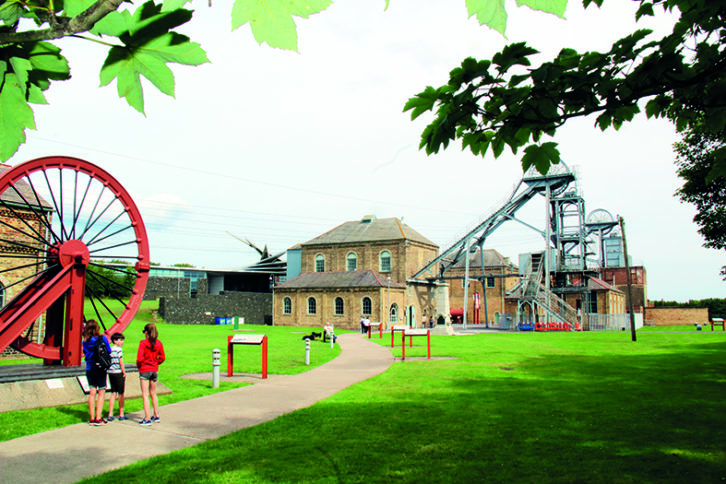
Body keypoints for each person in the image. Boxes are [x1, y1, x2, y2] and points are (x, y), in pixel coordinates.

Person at [82, 319, 111, 426]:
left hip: (89, 368)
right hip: (100, 368)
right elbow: (109, 350)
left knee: (92, 392)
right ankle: (98, 417)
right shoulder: (102, 337)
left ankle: (92, 418)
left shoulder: (84, 341)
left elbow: (85, 352)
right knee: (101, 392)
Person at [136, 323, 165, 426]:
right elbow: (162, 357)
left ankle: (147, 418)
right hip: (154, 370)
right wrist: (156, 363)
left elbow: (139, 358)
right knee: (153, 393)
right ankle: (156, 415)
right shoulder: (159, 343)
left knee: (145, 394)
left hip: (145, 369)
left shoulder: (143, 343)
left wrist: (139, 365)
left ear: (146, 333)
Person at [107, 332, 127, 421]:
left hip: (111, 372)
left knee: (113, 393)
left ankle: (110, 414)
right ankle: (121, 414)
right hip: (118, 372)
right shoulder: (119, 350)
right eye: (120, 340)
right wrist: (124, 372)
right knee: (121, 393)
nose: (122, 342)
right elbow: (120, 361)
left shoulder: (110, 349)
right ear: (115, 341)